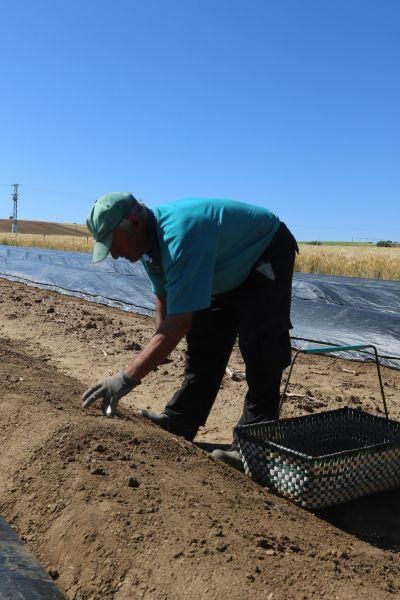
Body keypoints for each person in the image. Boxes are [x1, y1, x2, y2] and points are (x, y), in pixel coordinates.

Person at [82, 192, 298, 470]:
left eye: (113, 242)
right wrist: (156, 346)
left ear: (134, 223)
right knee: (205, 341)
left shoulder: (181, 238)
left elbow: (180, 321)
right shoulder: (148, 246)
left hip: (264, 251)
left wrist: (126, 378)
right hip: (222, 267)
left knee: (261, 347)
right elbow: (164, 297)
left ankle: (254, 449)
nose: (113, 253)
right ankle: (181, 420)